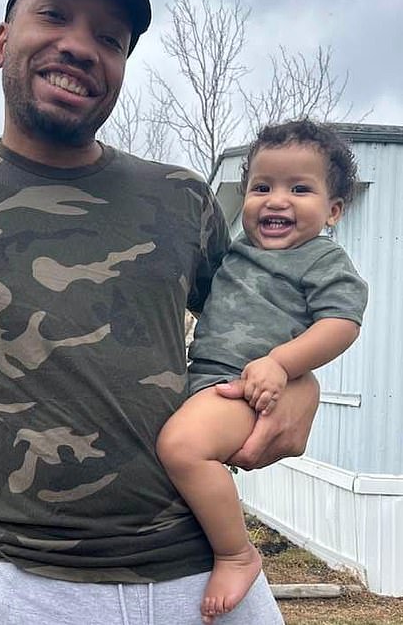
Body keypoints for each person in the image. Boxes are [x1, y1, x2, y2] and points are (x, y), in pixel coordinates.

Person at [0, 0, 319, 625]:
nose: (81, 46)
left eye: (109, 37)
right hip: (25, 589)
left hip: (205, 577)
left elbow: (264, 327)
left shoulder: (180, 198)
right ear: (1, 40)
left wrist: (303, 384)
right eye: (53, 15)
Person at [157, 119, 368, 623]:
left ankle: (236, 554)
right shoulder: (237, 255)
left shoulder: (322, 259)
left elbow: (342, 323)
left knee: (181, 448)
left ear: (334, 211)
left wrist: (283, 364)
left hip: (246, 390)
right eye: (262, 187)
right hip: (205, 378)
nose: (277, 200)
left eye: (300, 188)